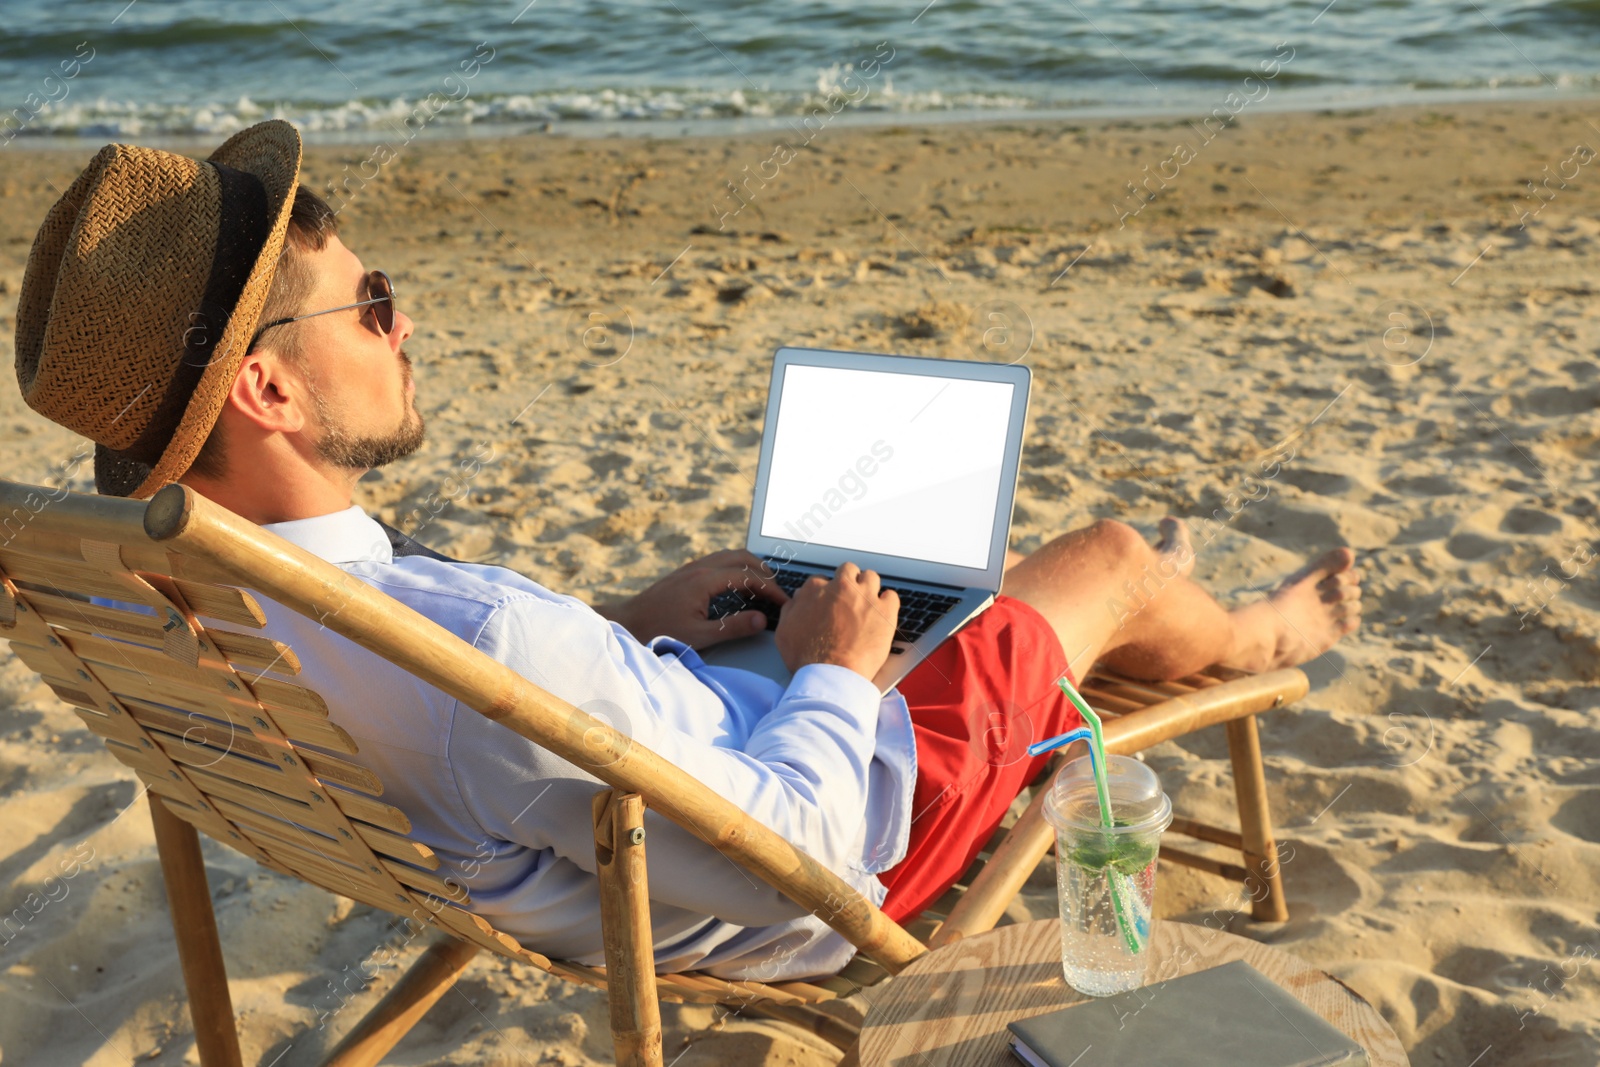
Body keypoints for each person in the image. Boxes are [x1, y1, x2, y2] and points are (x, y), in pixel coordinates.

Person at [14, 122, 1361, 980]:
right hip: (839, 834)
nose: (403, 323)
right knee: (1102, 560)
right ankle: (1253, 634)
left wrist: (627, 629)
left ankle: (1058, 615)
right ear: (267, 393)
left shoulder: (193, 605)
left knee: (927, 583)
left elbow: (474, 718)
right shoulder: (481, 642)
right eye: (371, 307)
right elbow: (818, 856)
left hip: (662, 743)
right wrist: (832, 675)